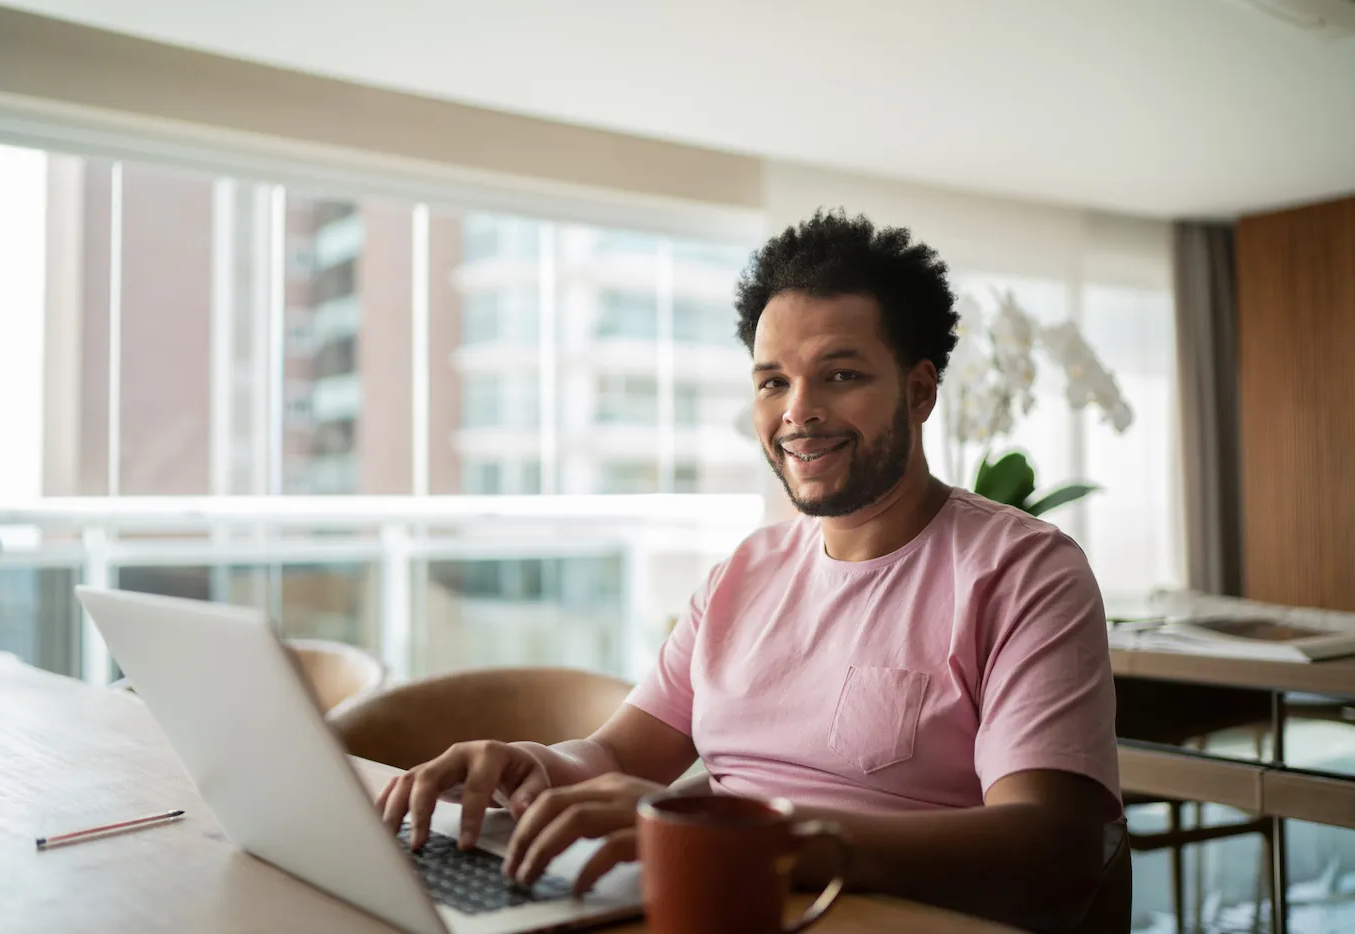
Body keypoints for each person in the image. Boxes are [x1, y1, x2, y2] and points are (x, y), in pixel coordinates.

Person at [378, 210, 1121, 931]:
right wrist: (528, 763)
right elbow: (612, 754)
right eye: (773, 382)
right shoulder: (744, 573)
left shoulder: (1024, 572)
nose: (799, 412)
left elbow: (1051, 848)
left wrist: (762, 838)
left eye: (840, 374)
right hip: (708, 903)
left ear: (921, 390)